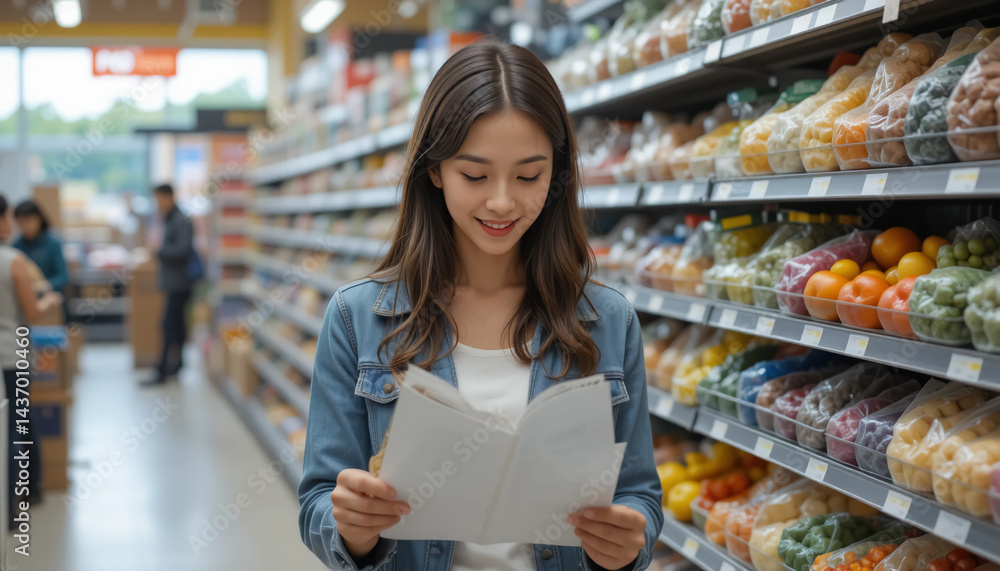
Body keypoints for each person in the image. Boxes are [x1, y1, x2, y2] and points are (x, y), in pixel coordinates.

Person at [298, 39, 663, 571]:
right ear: (434, 170)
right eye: (474, 175)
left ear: (557, 174)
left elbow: (638, 497)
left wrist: (630, 539)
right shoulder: (357, 320)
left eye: (529, 175)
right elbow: (316, 505)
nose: (501, 201)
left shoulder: (609, 322)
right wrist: (352, 528)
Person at [0, 193, 63, 523]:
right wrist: (49, 301)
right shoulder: (14, 261)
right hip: (13, 355)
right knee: (17, 426)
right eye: (9, 217)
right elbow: (32, 312)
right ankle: (15, 504)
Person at [146, 183, 195, 386]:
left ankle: (163, 370)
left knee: (168, 325)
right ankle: (177, 365)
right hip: (175, 282)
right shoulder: (170, 217)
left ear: (168, 197)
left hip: (180, 283)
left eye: (158, 199)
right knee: (177, 325)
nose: (158, 204)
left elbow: (183, 250)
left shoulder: (180, 219)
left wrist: (159, 251)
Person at [13, 199, 69, 297]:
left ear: (39, 218)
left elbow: (63, 276)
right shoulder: (16, 246)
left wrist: (47, 285)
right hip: (26, 297)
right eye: (21, 222)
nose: (25, 226)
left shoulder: (53, 243)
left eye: (28, 220)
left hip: (51, 297)